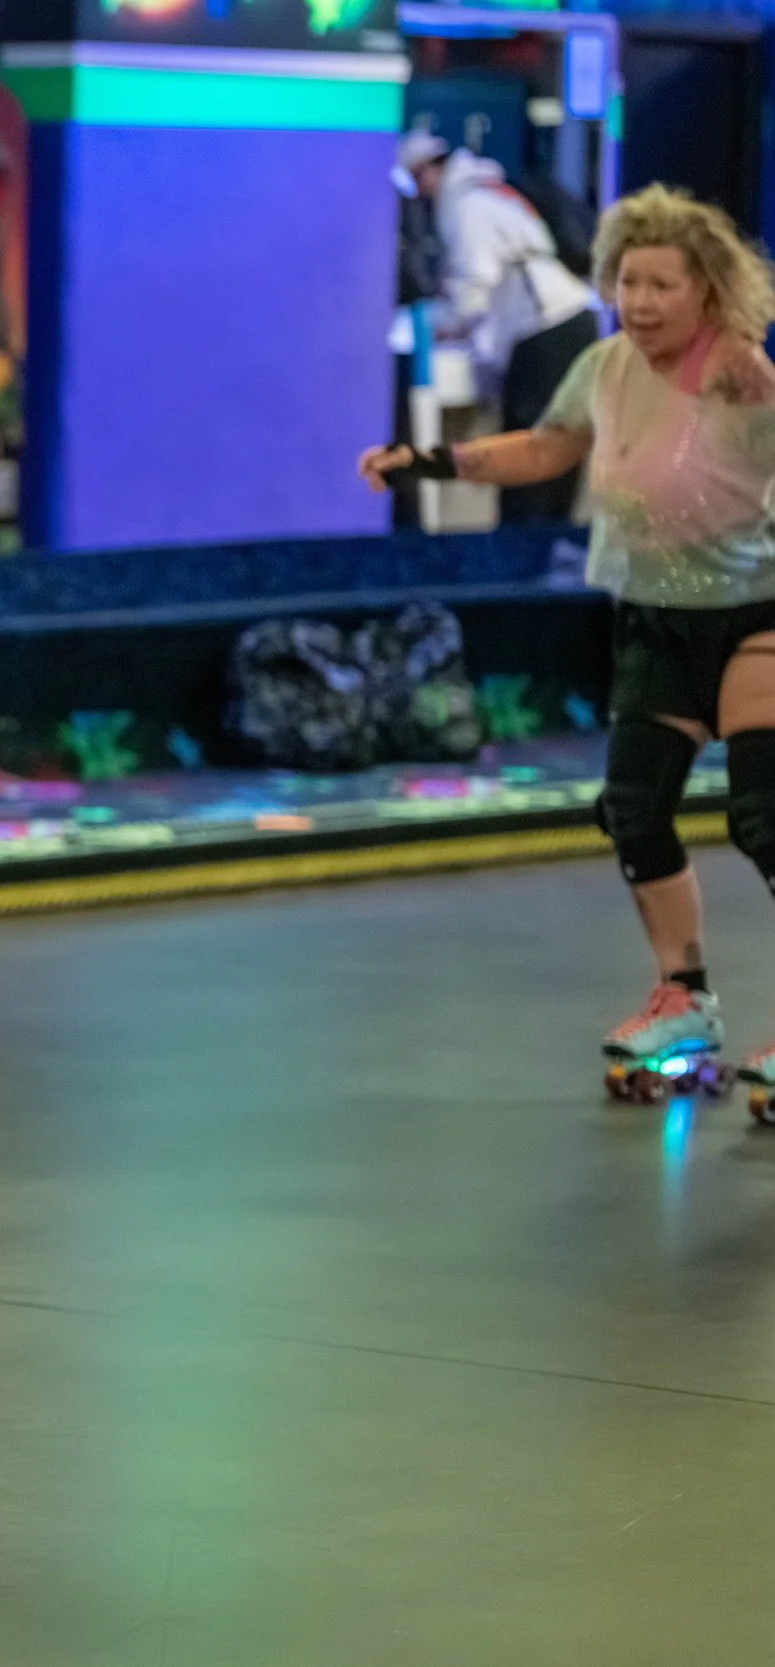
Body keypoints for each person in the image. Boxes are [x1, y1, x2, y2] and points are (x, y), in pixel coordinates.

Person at [358, 185, 775, 1086]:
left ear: (707, 291)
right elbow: (546, 450)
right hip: (653, 619)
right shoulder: (604, 366)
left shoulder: (739, 374)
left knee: (763, 817)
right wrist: (427, 460)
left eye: (665, 284)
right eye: (630, 281)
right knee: (632, 809)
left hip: (754, 619)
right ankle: (683, 999)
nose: (643, 301)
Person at [400, 133, 600, 524]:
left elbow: (474, 284)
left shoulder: (466, 206)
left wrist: (442, 324)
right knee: (558, 452)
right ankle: (549, 552)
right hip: (570, 319)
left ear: (426, 172)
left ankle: (524, 559)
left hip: (544, 332)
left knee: (531, 455)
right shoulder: (491, 190)